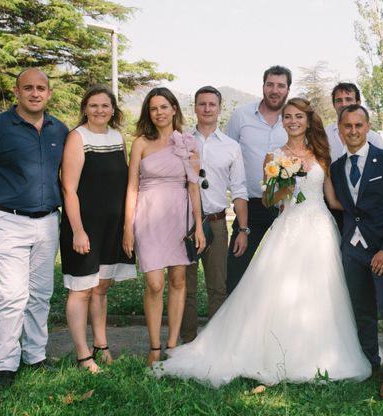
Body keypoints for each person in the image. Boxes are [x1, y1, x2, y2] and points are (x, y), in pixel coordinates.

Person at [154, 98, 371, 387]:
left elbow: (332, 200)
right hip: (288, 226)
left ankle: (320, 354)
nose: (293, 121)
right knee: (279, 290)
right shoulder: (273, 156)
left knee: (321, 291)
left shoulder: (321, 154)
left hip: (319, 228)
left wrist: (367, 208)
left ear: (308, 120)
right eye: (288, 117)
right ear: (283, 122)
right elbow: (268, 200)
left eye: (298, 116)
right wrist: (284, 185)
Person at [0, 68, 68, 387]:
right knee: (10, 296)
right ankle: (5, 364)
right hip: (5, 221)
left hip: (46, 221)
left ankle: (35, 355)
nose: (35, 93)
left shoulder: (60, 130)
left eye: (41, 88)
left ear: (49, 93)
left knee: (41, 294)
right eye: (28, 88)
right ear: (16, 91)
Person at [331, 104, 383, 400]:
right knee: (362, 311)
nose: (353, 131)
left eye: (358, 125)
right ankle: (371, 363)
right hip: (353, 251)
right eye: (347, 126)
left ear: (368, 127)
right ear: (340, 131)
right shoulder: (336, 167)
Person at [123, 87, 206, 366]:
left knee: (178, 280)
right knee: (155, 283)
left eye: (163, 107)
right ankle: (154, 346)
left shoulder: (189, 143)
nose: (159, 112)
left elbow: (194, 188)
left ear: (174, 109)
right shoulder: (140, 144)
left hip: (179, 216)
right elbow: (132, 186)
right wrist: (127, 227)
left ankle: (171, 346)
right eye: (153, 108)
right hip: (147, 216)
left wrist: (199, 227)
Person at [60, 85, 137, 373]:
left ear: (113, 110)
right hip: (84, 226)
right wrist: (78, 230)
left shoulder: (118, 138)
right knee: (81, 290)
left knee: (101, 288)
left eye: (105, 105)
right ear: (85, 108)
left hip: (112, 227)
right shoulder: (77, 138)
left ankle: (101, 346)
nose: (100, 110)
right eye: (94, 105)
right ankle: (82, 355)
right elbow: (69, 189)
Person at [180, 86, 248, 343]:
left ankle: (215, 345)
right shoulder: (182, 142)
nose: (207, 108)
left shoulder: (232, 147)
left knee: (218, 288)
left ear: (220, 108)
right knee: (185, 287)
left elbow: (240, 189)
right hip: (184, 225)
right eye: (202, 104)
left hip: (218, 223)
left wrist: (243, 229)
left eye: (212, 104)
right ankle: (185, 341)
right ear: (194, 107)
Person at [224, 65, 290, 293]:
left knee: (284, 275)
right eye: (270, 84)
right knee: (235, 273)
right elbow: (226, 156)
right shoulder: (241, 116)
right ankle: (233, 326)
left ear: (288, 89)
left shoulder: (295, 119)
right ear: (263, 86)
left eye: (281, 85)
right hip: (250, 207)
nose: (275, 90)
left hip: (287, 208)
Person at [325, 83, 383, 162]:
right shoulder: (324, 135)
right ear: (334, 105)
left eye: (348, 99)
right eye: (339, 100)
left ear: (358, 103)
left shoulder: (373, 138)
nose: (343, 104)